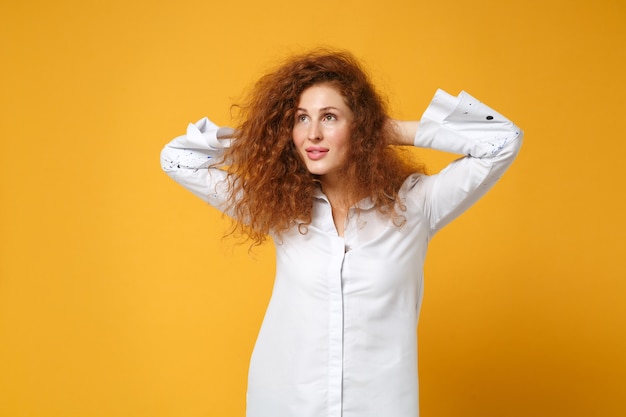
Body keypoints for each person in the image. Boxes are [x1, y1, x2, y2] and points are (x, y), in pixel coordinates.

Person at [160, 49, 523, 417]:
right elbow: (178, 158)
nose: (313, 133)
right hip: (286, 403)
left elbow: (502, 141)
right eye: (301, 118)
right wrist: (268, 138)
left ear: (361, 125)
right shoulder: (281, 208)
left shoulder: (416, 204)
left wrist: (385, 130)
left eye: (329, 117)